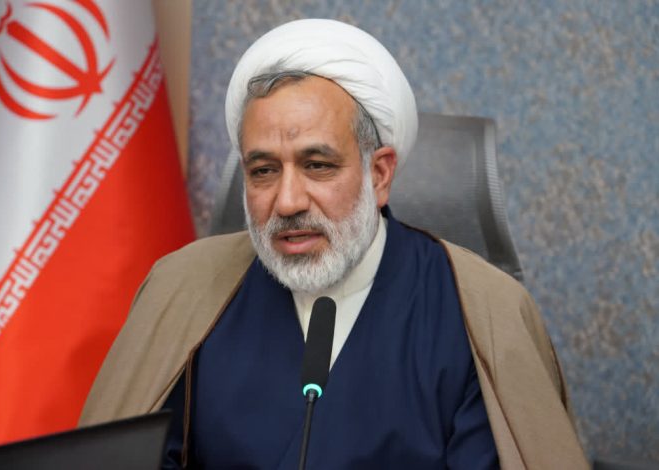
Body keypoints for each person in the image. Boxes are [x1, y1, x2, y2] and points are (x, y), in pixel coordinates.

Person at [79, 19, 588, 469]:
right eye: (263, 171)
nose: (287, 201)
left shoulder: (480, 312)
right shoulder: (184, 290)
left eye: (317, 165)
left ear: (379, 173)